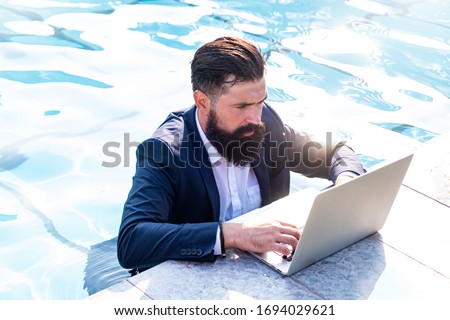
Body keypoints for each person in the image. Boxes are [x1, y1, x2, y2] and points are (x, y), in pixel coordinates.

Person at [117, 36, 364, 272]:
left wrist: (348, 184)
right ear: (202, 102)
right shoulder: (165, 150)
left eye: (260, 102)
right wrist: (236, 234)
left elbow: (335, 151)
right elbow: (132, 241)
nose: (255, 118)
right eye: (242, 106)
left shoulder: (267, 122)